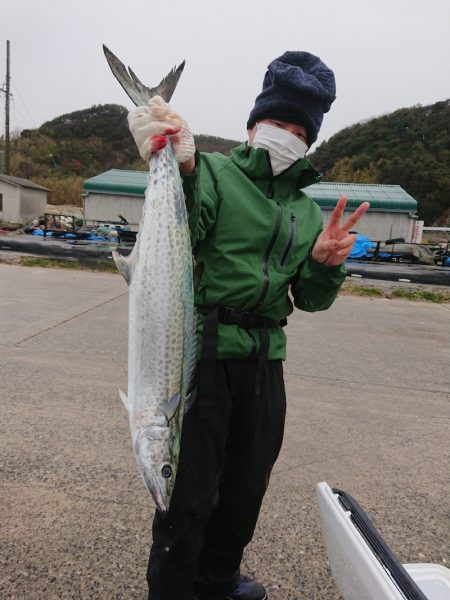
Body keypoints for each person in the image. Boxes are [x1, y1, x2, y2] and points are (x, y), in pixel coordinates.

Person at [128, 50, 369, 600]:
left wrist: (326, 266)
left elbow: (308, 299)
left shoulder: (308, 212)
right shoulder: (215, 172)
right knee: (188, 493)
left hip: (266, 363)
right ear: (253, 124)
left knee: (243, 489)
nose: (286, 136)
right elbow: (191, 219)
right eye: (277, 123)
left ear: (310, 142)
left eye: (299, 130)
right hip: (204, 354)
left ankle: (217, 582)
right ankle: (171, 590)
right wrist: (182, 164)